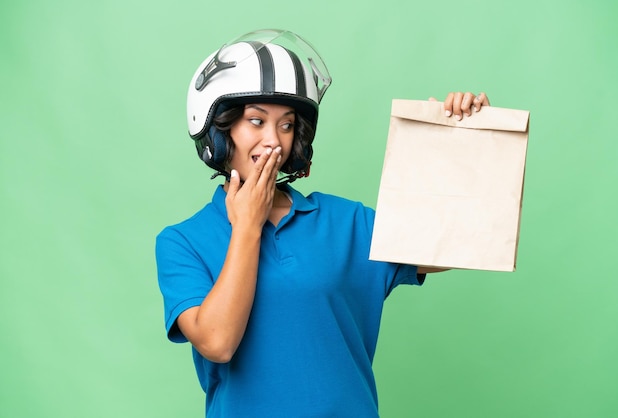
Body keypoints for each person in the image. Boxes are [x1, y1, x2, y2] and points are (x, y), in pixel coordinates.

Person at [155, 29, 490, 417]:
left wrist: (463, 139)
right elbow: (218, 342)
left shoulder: (348, 223)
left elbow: (460, 238)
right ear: (219, 129)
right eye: (256, 120)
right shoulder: (183, 242)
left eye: (286, 124)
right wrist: (247, 227)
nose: (274, 141)